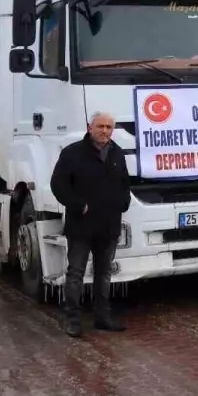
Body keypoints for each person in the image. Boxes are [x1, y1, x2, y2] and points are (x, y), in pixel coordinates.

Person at [50, 111, 132, 338]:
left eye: (108, 127)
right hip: (81, 226)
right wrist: (79, 205)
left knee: (104, 274)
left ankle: (102, 318)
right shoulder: (72, 153)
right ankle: (73, 320)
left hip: (109, 225)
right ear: (90, 128)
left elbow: (125, 182)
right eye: (100, 126)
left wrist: (123, 203)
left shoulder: (116, 153)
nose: (105, 131)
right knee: (75, 273)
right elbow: (58, 184)